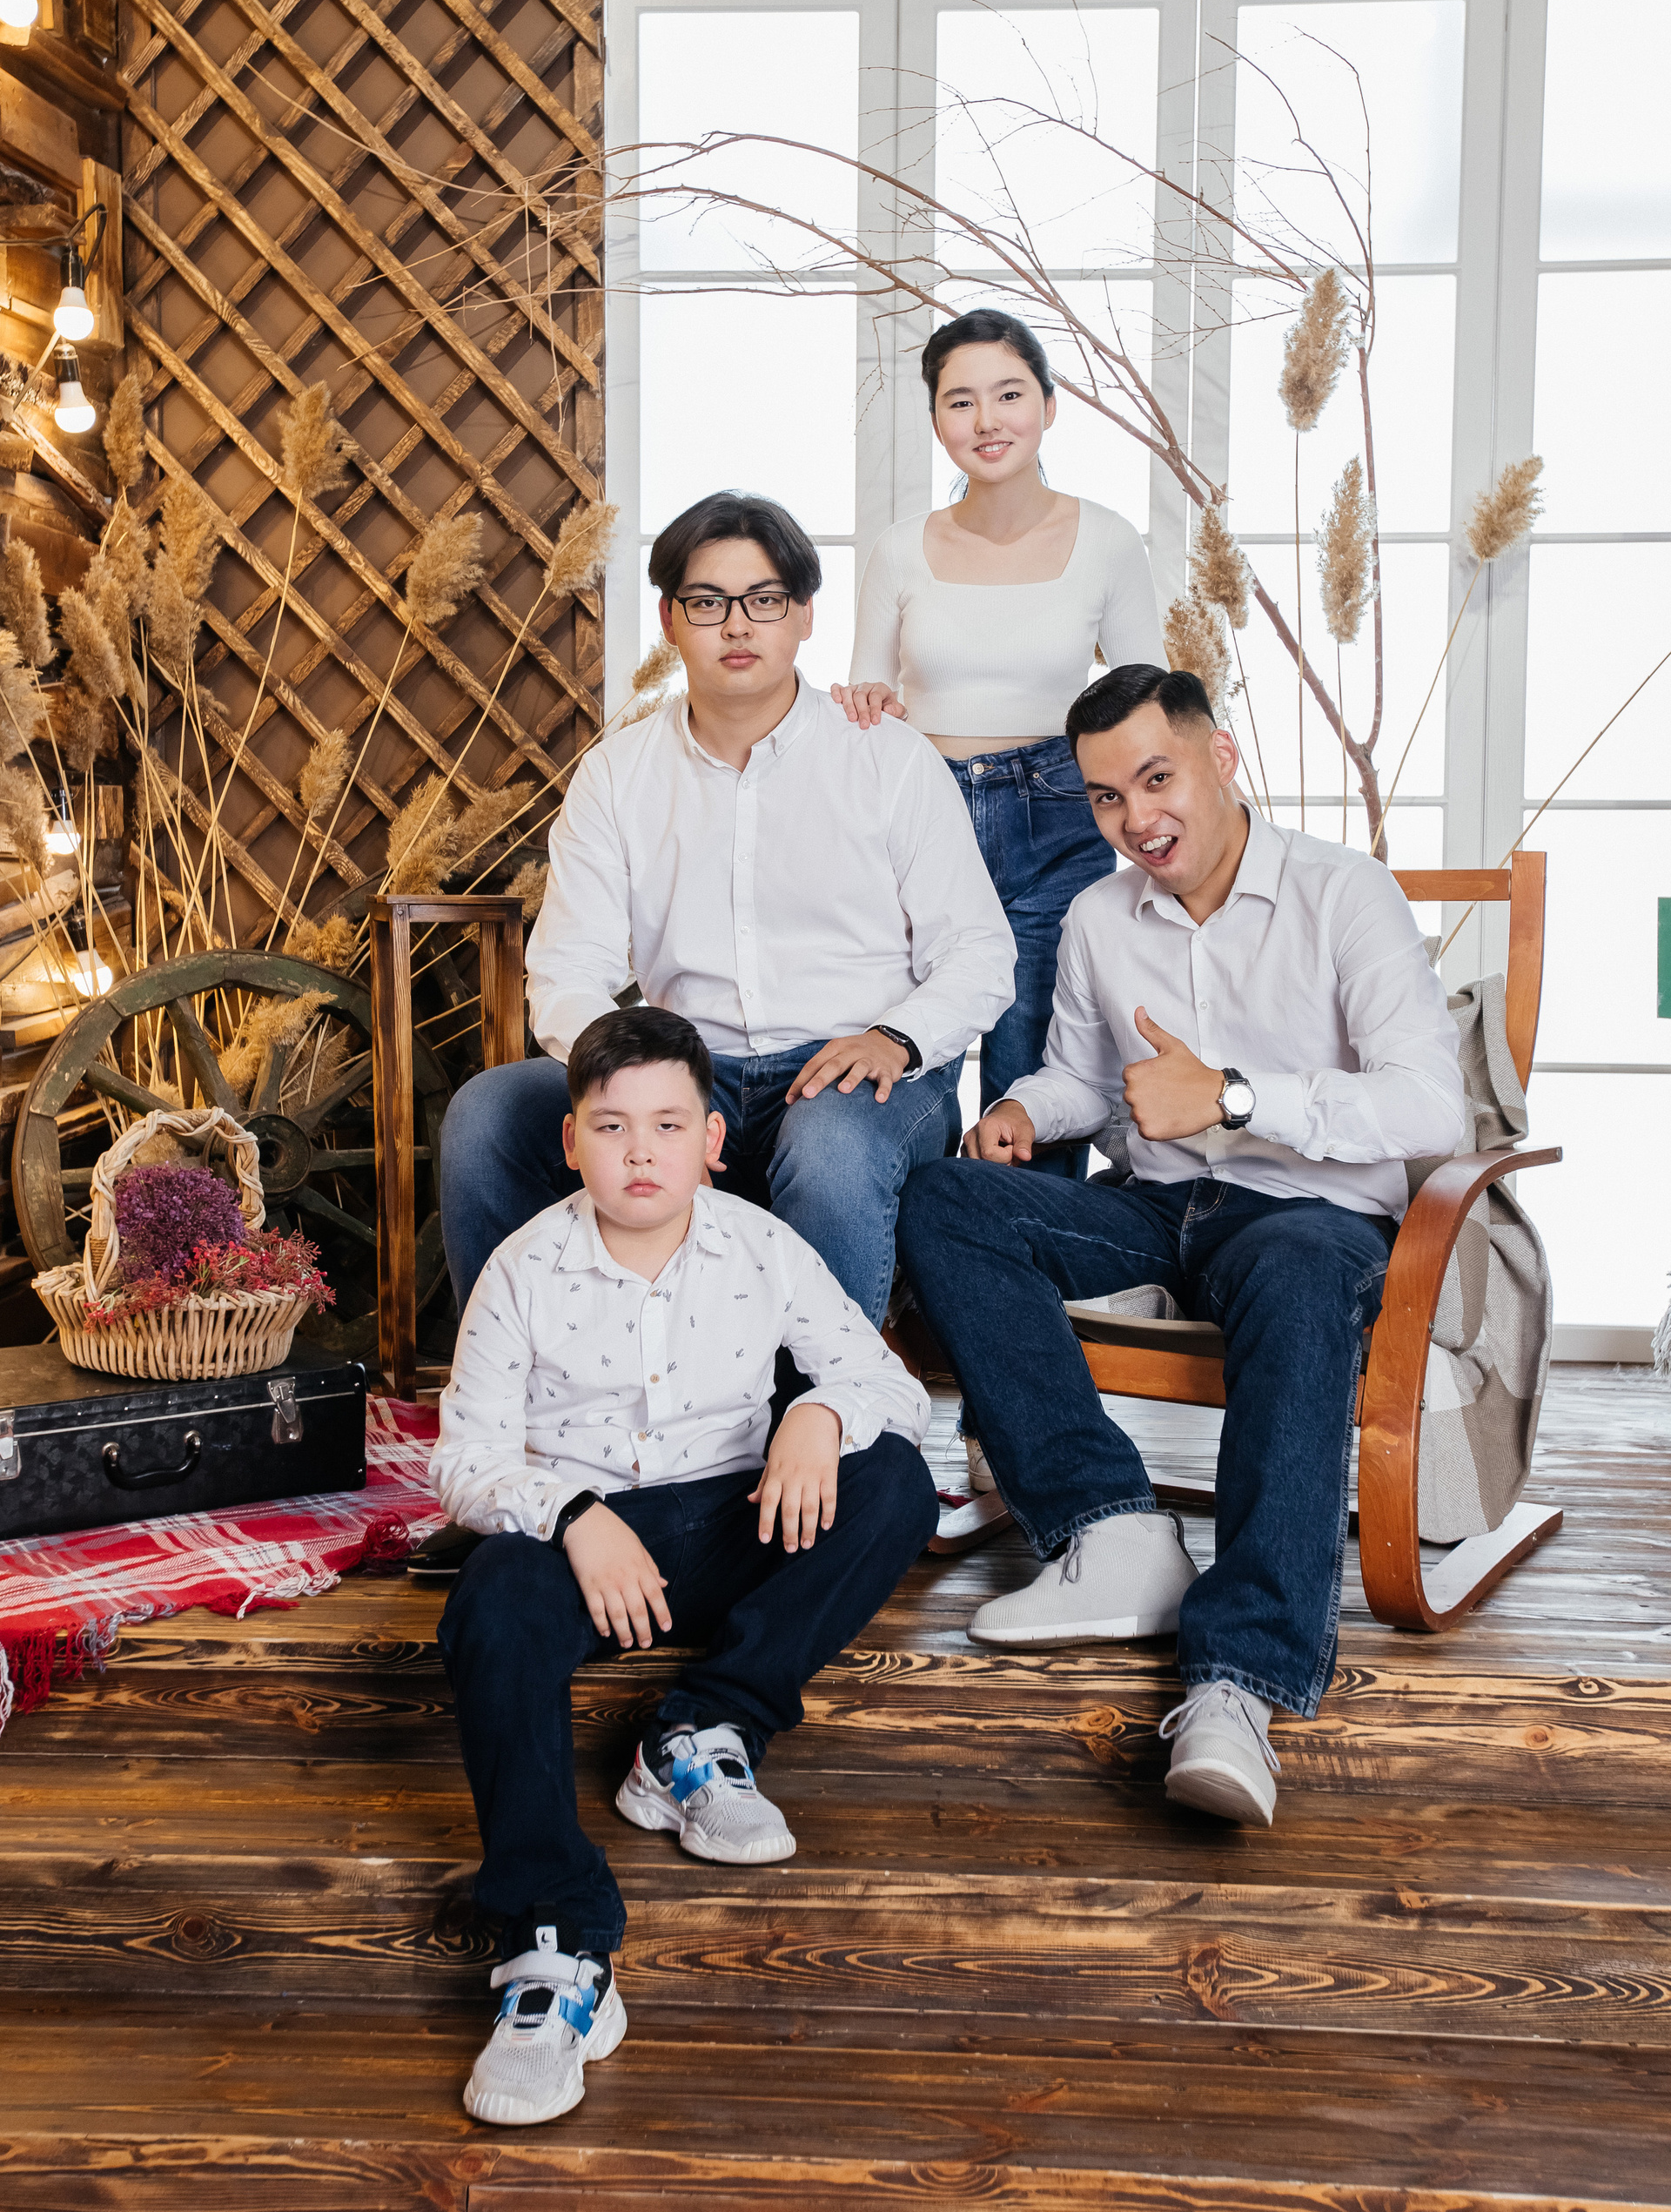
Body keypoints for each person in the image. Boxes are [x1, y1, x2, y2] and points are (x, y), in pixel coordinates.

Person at [896, 664, 1466, 1828]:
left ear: (1222, 758)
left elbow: (1430, 1110)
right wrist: (1026, 1110)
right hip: (1159, 1210)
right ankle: (1112, 1530)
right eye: (1108, 797)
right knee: (946, 1199)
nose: (1136, 819)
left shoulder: (1344, 894)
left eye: (1157, 779)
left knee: (1299, 1275)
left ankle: (1238, 1681)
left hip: (1308, 1217)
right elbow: (1081, 1076)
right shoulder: (1102, 918)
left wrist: (1235, 1097)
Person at [434, 1004, 938, 2128]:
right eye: (612, 1127)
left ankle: (703, 1729)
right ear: (571, 1141)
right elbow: (463, 1462)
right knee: (492, 1599)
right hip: (586, 1552)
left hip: (729, 1526)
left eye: (668, 1125)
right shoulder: (522, 1268)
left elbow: (888, 1386)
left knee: (895, 1480)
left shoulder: (761, 1247)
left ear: (713, 1140)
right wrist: (571, 1514)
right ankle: (556, 1945)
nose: (641, 1152)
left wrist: (818, 1416)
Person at [440, 489, 1015, 1332]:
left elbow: (978, 953)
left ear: (805, 615)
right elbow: (567, 970)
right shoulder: (618, 775)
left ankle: (823, 1400)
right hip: (683, 1065)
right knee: (488, 1114)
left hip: (857, 1071)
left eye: (765, 600)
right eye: (708, 602)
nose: (738, 626)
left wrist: (892, 1040)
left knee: (829, 1146)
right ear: (670, 621)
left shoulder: (889, 760)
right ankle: (518, 1383)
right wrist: (646, 1089)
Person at [836, 307, 1170, 1158]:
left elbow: (1147, 706)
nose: (987, 420)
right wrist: (869, 702)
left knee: (1035, 1084)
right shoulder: (898, 551)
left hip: (1058, 818)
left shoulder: (1107, 541)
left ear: (1050, 406)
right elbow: (868, 699)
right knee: (909, 1063)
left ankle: (1028, 1243)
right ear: (936, 418)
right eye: (961, 401)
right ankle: (912, 1242)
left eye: (1010, 394)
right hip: (922, 819)